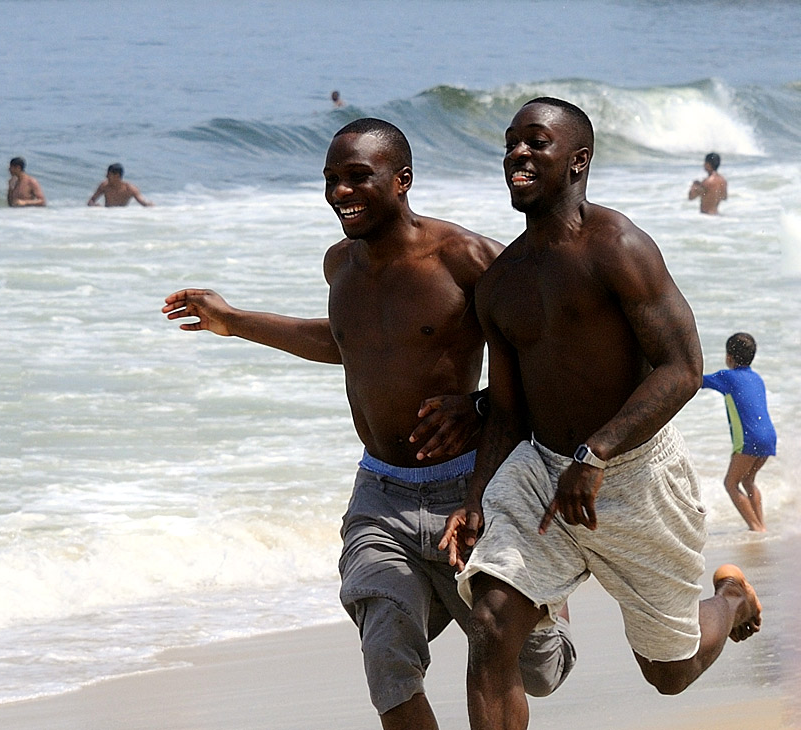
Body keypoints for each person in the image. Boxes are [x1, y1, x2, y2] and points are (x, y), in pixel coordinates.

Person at [163, 118, 575, 730]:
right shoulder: (340, 265)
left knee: (534, 669)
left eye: (358, 177)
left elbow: (554, 350)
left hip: (474, 486)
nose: (339, 192)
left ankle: (549, 613)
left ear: (402, 180)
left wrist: (482, 404)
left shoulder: (468, 258)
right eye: (331, 179)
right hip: (379, 494)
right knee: (386, 657)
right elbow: (346, 342)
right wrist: (235, 321)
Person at [438, 98, 763, 730]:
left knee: (669, 674)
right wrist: (477, 499)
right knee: (490, 625)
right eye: (510, 144)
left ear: (579, 161)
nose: (517, 155)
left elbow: (682, 369)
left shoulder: (618, 247)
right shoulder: (500, 283)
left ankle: (729, 599)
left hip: (637, 476)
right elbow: (507, 408)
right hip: (543, 476)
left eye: (536, 143)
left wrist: (599, 453)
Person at [701, 332, 775, 532]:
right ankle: (762, 526)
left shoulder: (727, 377)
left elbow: (696, 381)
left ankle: (756, 528)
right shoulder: (757, 378)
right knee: (749, 481)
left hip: (749, 439)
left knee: (730, 484)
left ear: (728, 358)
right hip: (769, 438)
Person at [87, 163, 154, 207]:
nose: (106, 176)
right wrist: (94, 205)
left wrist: (151, 206)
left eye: (109, 174)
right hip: (106, 215)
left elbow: (143, 203)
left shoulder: (130, 189)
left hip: (120, 217)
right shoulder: (104, 186)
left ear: (117, 176)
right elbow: (91, 201)